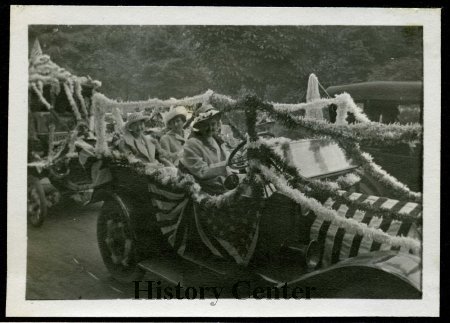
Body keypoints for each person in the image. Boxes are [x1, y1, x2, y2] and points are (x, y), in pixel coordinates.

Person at [181, 104, 232, 194]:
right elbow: (203, 172)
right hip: (205, 189)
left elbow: (227, 159)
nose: (210, 128)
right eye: (205, 125)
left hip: (222, 182)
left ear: (217, 124)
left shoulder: (217, 140)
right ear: (199, 127)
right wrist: (226, 166)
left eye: (213, 124)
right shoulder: (191, 144)